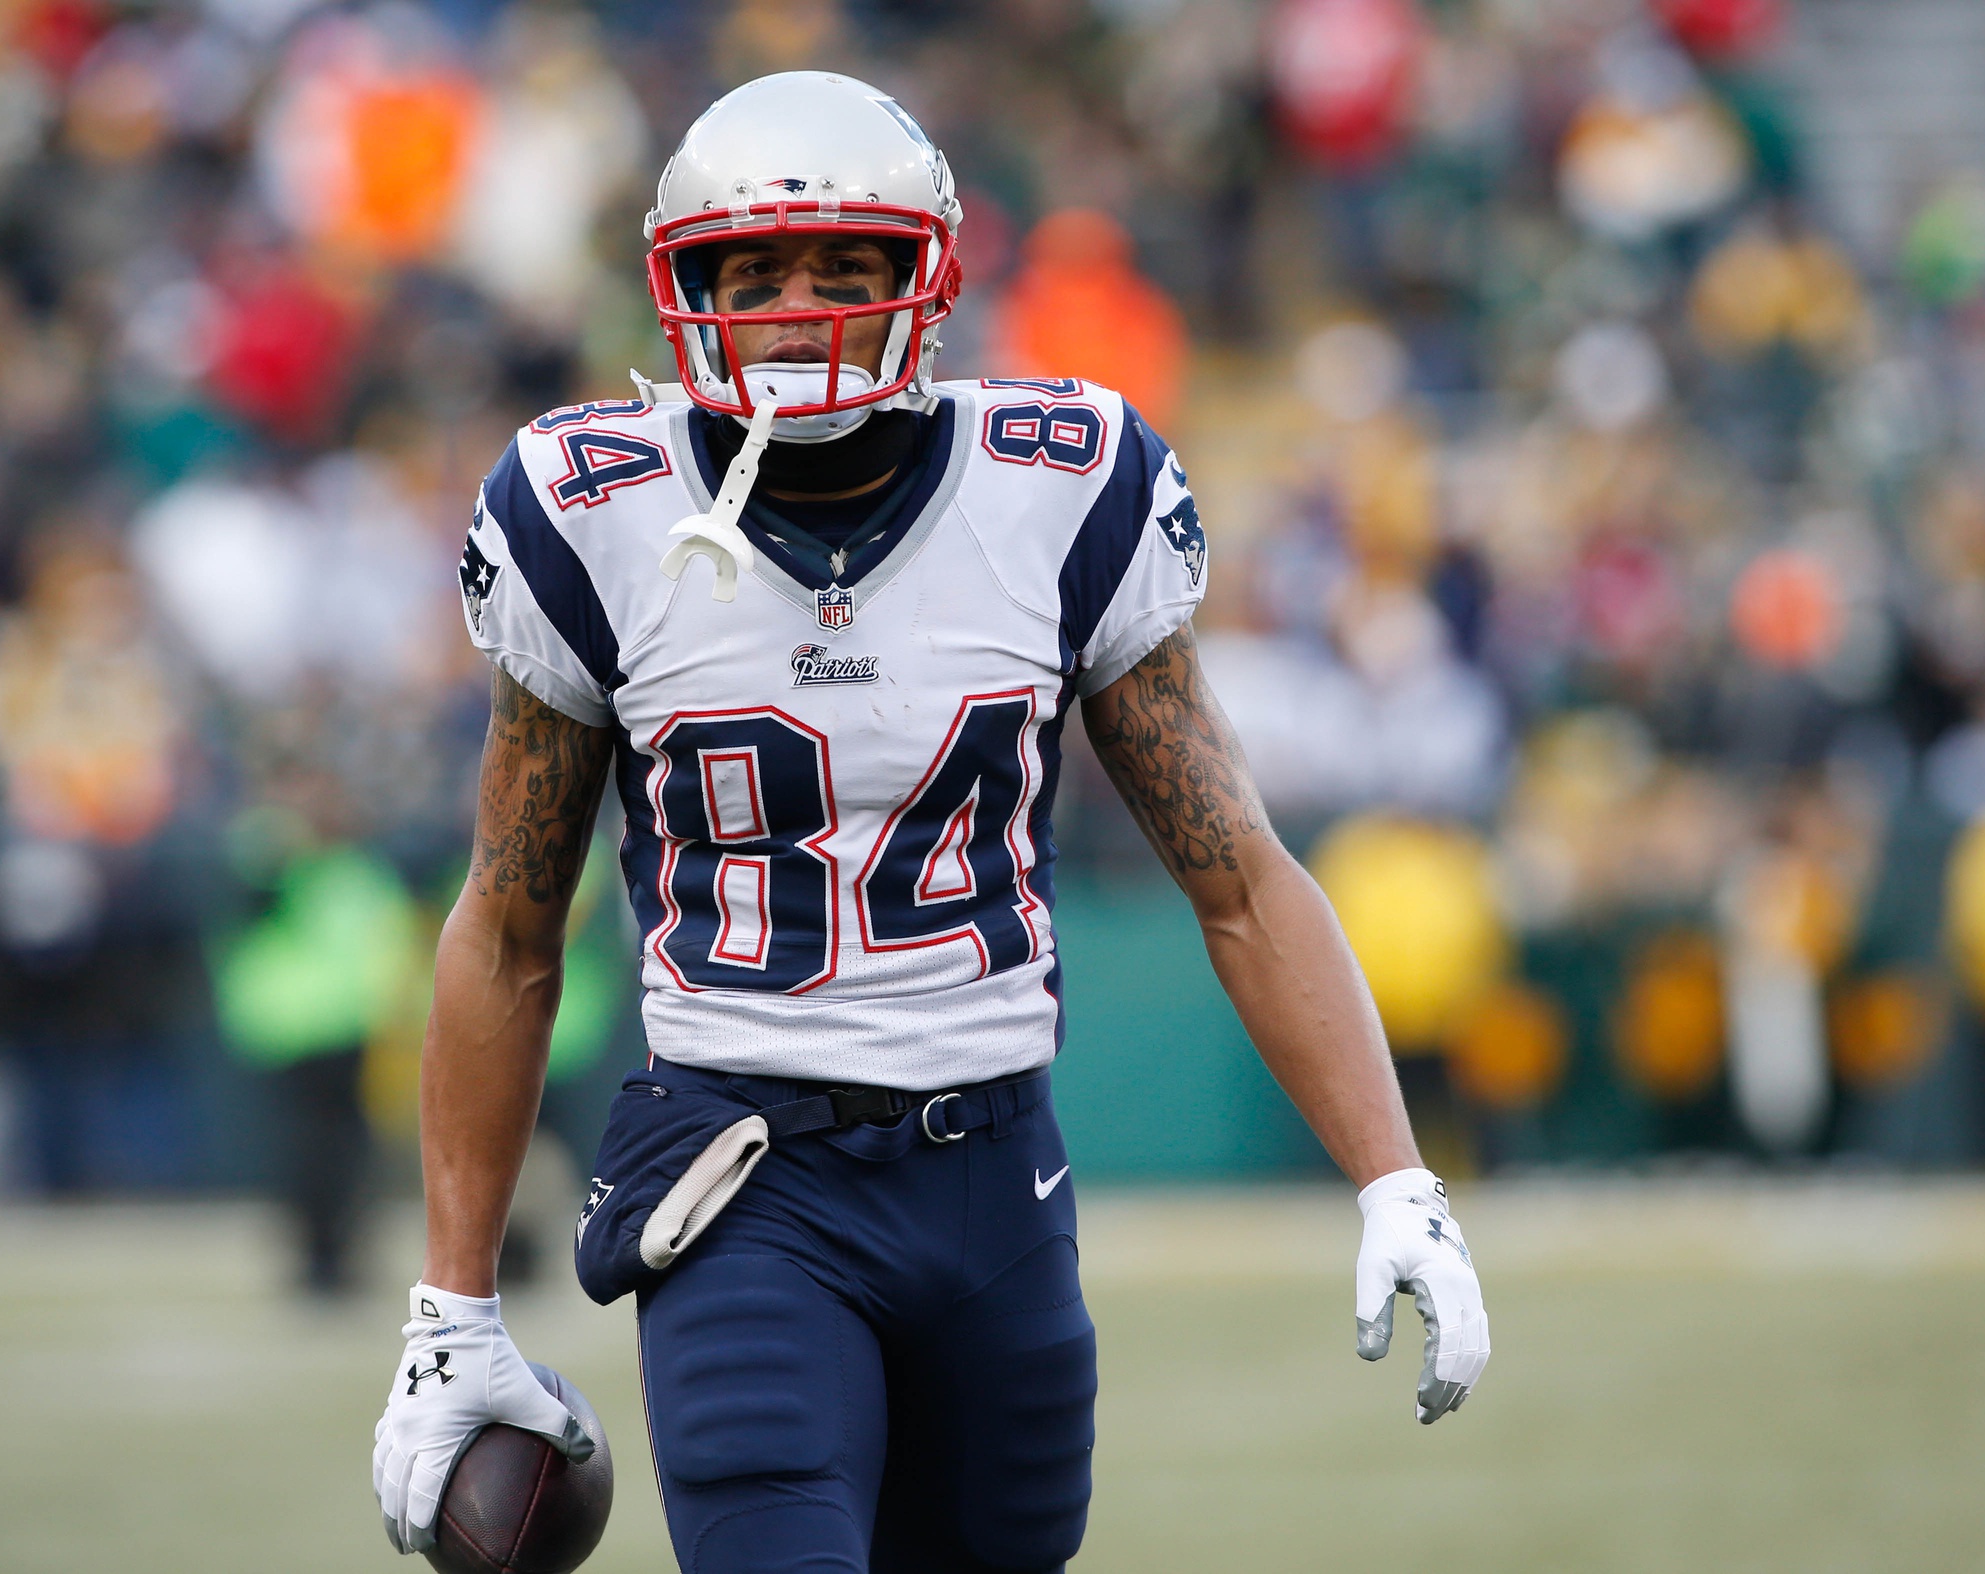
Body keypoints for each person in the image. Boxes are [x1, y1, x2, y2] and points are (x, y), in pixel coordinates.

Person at [372, 71, 1489, 1574]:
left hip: (994, 1185)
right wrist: (453, 1305)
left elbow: (1238, 880)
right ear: (684, 286)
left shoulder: (1062, 484)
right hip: (738, 1177)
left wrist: (1394, 1173)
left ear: (926, 279)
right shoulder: (591, 511)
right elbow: (508, 926)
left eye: (847, 265)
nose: (798, 306)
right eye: (753, 271)